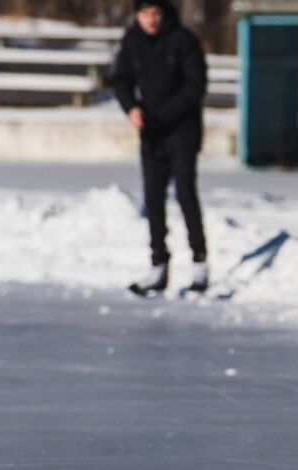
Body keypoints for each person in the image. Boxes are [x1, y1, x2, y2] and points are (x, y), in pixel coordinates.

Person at [111, 0, 209, 296]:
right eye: (145, 14)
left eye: (156, 14)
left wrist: (161, 117)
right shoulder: (132, 40)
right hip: (151, 134)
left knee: (185, 194)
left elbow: (195, 87)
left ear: (164, 14)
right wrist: (131, 108)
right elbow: (120, 79)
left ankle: (200, 263)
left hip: (181, 131)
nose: (151, 20)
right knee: (153, 199)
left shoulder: (183, 41)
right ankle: (158, 266)